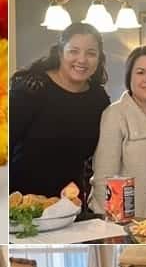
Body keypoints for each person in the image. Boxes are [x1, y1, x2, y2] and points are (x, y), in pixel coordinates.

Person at [10, 23, 110, 197]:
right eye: (74, 51)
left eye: (91, 53)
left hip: (71, 204)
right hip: (22, 203)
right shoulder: (32, 88)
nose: (82, 59)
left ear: (99, 58)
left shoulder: (98, 98)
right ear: (60, 53)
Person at [91, 46, 146, 219]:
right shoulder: (115, 114)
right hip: (126, 222)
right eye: (140, 72)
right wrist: (108, 223)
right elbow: (104, 177)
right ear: (129, 76)